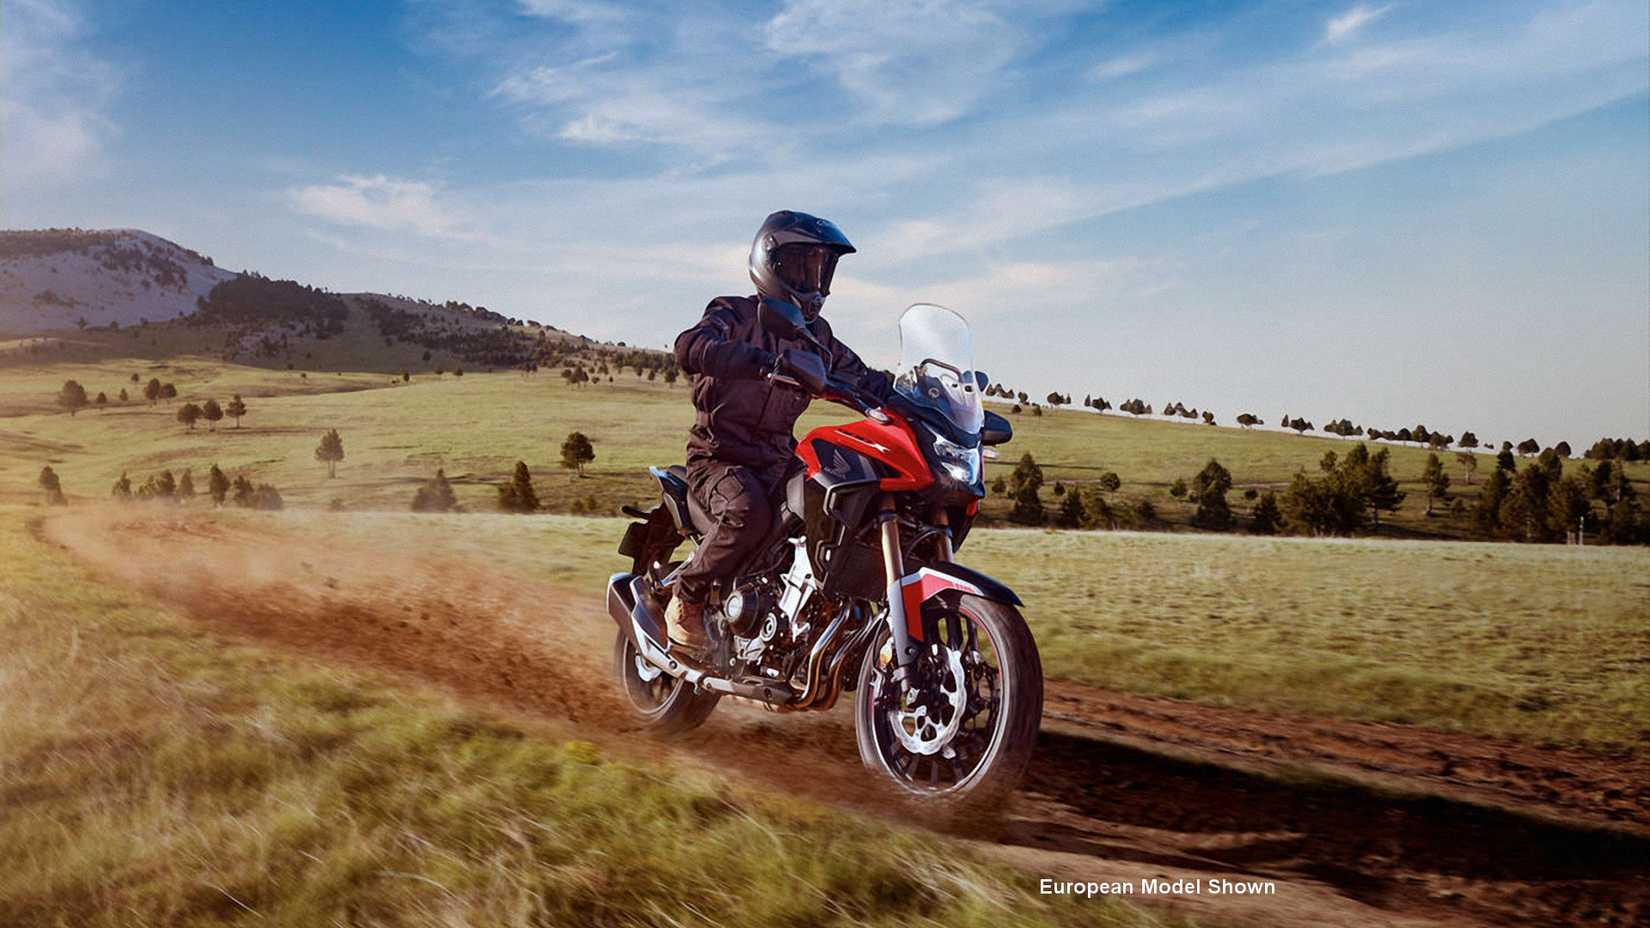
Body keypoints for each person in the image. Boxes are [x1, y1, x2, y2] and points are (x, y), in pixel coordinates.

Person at [667, 210, 892, 656]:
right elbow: (689, 346)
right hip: (720, 457)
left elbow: (863, 377)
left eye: (821, 268)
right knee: (748, 511)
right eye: (803, 265)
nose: (814, 279)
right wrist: (757, 362)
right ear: (772, 264)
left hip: (778, 459)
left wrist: (920, 394)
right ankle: (685, 599)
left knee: (843, 506)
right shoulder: (732, 313)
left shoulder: (818, 336)